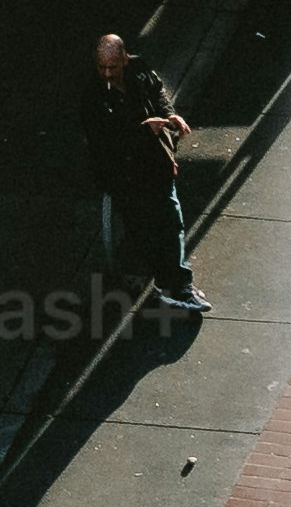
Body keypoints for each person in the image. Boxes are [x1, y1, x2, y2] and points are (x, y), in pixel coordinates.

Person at [86, 31, 203, 331]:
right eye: (102, 68)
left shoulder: (139, 71)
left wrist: (168, 115)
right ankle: (173, 284)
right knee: (152, 226)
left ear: (125, 59)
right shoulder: (94, 96)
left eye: (113, 66)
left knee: (169, 221)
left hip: (155, 164)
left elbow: (158, 93)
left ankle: (175, 284)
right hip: (126, 175)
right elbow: (104, 142)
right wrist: (143, 130)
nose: (108, 73)